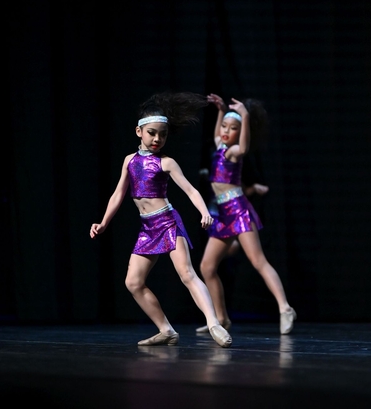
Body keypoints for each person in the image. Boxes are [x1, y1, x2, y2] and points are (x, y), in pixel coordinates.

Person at [89, 91, 232, 348]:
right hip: (147, 227)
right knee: (133, 282)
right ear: (139, 132)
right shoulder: (129, 161)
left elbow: (190, 190)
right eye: (152, 133)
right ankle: (166, 330)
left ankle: (214, 323)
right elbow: (118, 194)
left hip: (167, 222)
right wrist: (104, 222)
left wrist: (204, 212)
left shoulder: (166, 162)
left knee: (186, 273)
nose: (157, 139)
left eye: (162, 134)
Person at [195, 93, 296, 335]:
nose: (226, 131)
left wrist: (245, 116)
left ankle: (285, 309)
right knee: (207, 267)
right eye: (225, 127)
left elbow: (244, 147)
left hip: (238, 210)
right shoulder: (220, 147)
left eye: (233, 129)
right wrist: (221, 110)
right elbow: (217, 134)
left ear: (240, 132)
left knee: (258, 260)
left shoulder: (233, 152)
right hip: (223, 214)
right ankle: (221, 319)